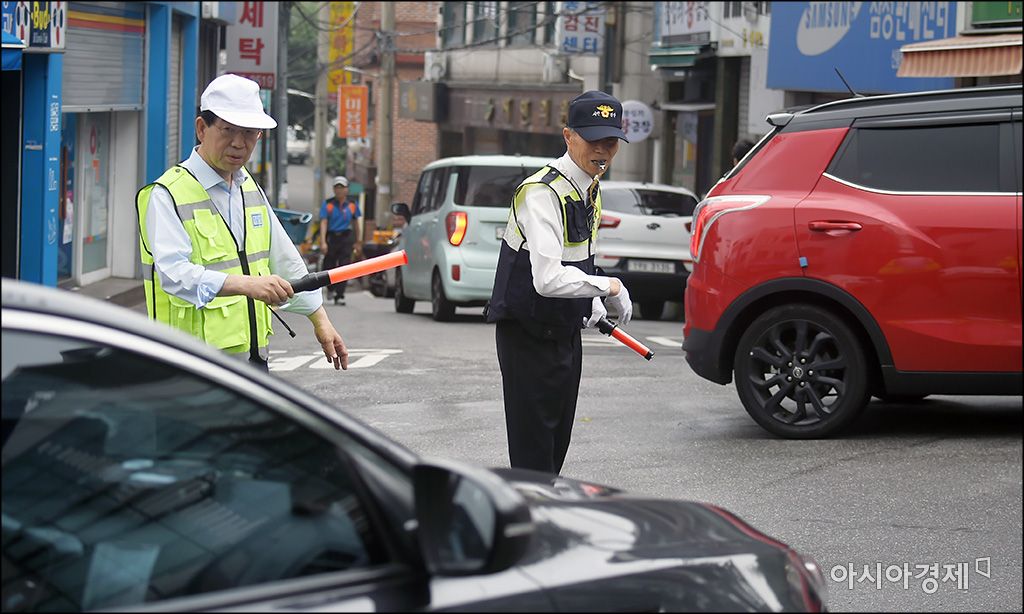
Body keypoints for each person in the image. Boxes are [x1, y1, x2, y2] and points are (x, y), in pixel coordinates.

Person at [136, 73, 349, 371]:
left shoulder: (249, 188)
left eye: (250, 132)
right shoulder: (167, 194)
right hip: (189, 367)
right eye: (227, 130)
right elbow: (173, 274)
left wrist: (320, 319)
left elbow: (285, 259)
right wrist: (247, 285)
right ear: (202, 128)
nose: (239, 143)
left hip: (251, 363)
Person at [486, 90, 633, 475]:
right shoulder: (541, 192)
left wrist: (592, 301)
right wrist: (609, 287)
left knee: (555, 449)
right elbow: (548, 278)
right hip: (528, 335)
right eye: (592, 139)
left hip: (564, 331)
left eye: (611, 141)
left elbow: (580, 257)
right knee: (534, 457)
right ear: (568, 136)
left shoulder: (590, 187)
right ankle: (525, 530)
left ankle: (539, 525)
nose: (603, 150)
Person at [318, 176, 363, 305]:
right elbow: (324, 222)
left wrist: (358, 241)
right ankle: (330, 288)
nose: (339, 190)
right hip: (332, 237)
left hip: (346, 237)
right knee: (329, 265)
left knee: (344, 266)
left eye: (342, 187)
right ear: (333, 189)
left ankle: (340, 294)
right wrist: (323, 241)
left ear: (347, 190)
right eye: (337, 187)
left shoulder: (352, 205)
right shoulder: (328, 204)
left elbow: (356, 223)